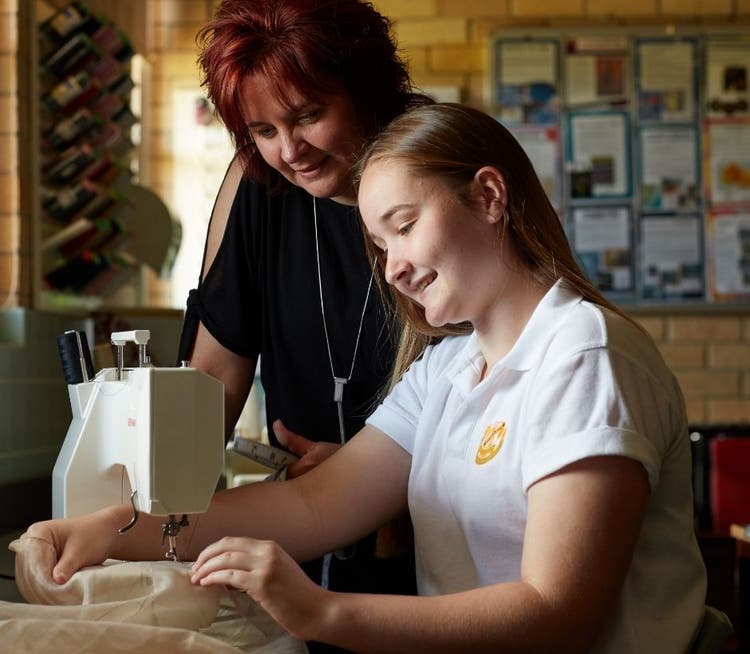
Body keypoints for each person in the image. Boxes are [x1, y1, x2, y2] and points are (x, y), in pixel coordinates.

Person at [27, 103, 707, 652]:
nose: (393, 269)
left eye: (405, 227)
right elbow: (314, 505)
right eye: (380, 247)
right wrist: (114, 530)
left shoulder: (584, 357)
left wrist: (322, 612)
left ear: (490, 195)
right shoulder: (449, 368)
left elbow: (556, 614)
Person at [172, 0, 430, 649]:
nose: (290, 152)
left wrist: (376, 479)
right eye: (262, 129)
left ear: (365, 91)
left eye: (310, 114)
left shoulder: (437, 169)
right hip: (306, 523)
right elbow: (213, 373)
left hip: (439, 526)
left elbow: (501, 372)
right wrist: (158, 511)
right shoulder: (260, 184)